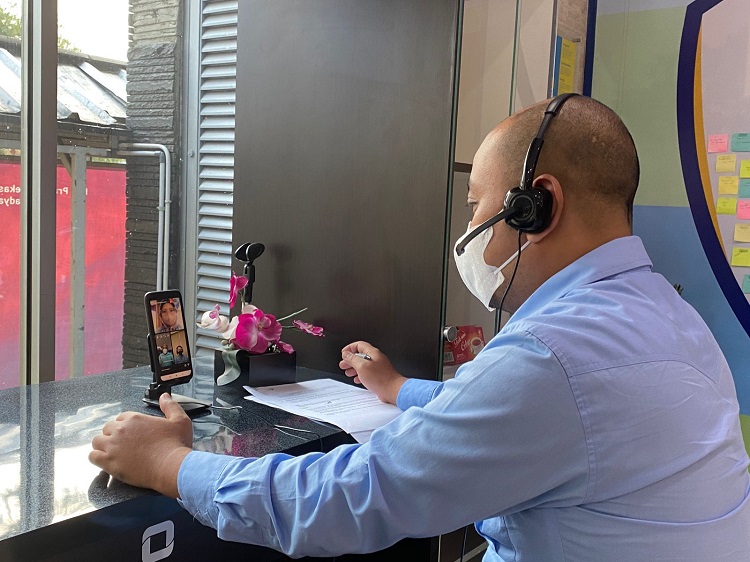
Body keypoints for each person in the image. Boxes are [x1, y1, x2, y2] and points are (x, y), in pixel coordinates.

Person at [89, 95, 750, 561]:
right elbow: (536, 415)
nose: (470, 232)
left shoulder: (554, 354)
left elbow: (353, 499)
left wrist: (168, 463)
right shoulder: (671, 319)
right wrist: (401, 388)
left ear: (536, 206)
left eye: (478, 206)